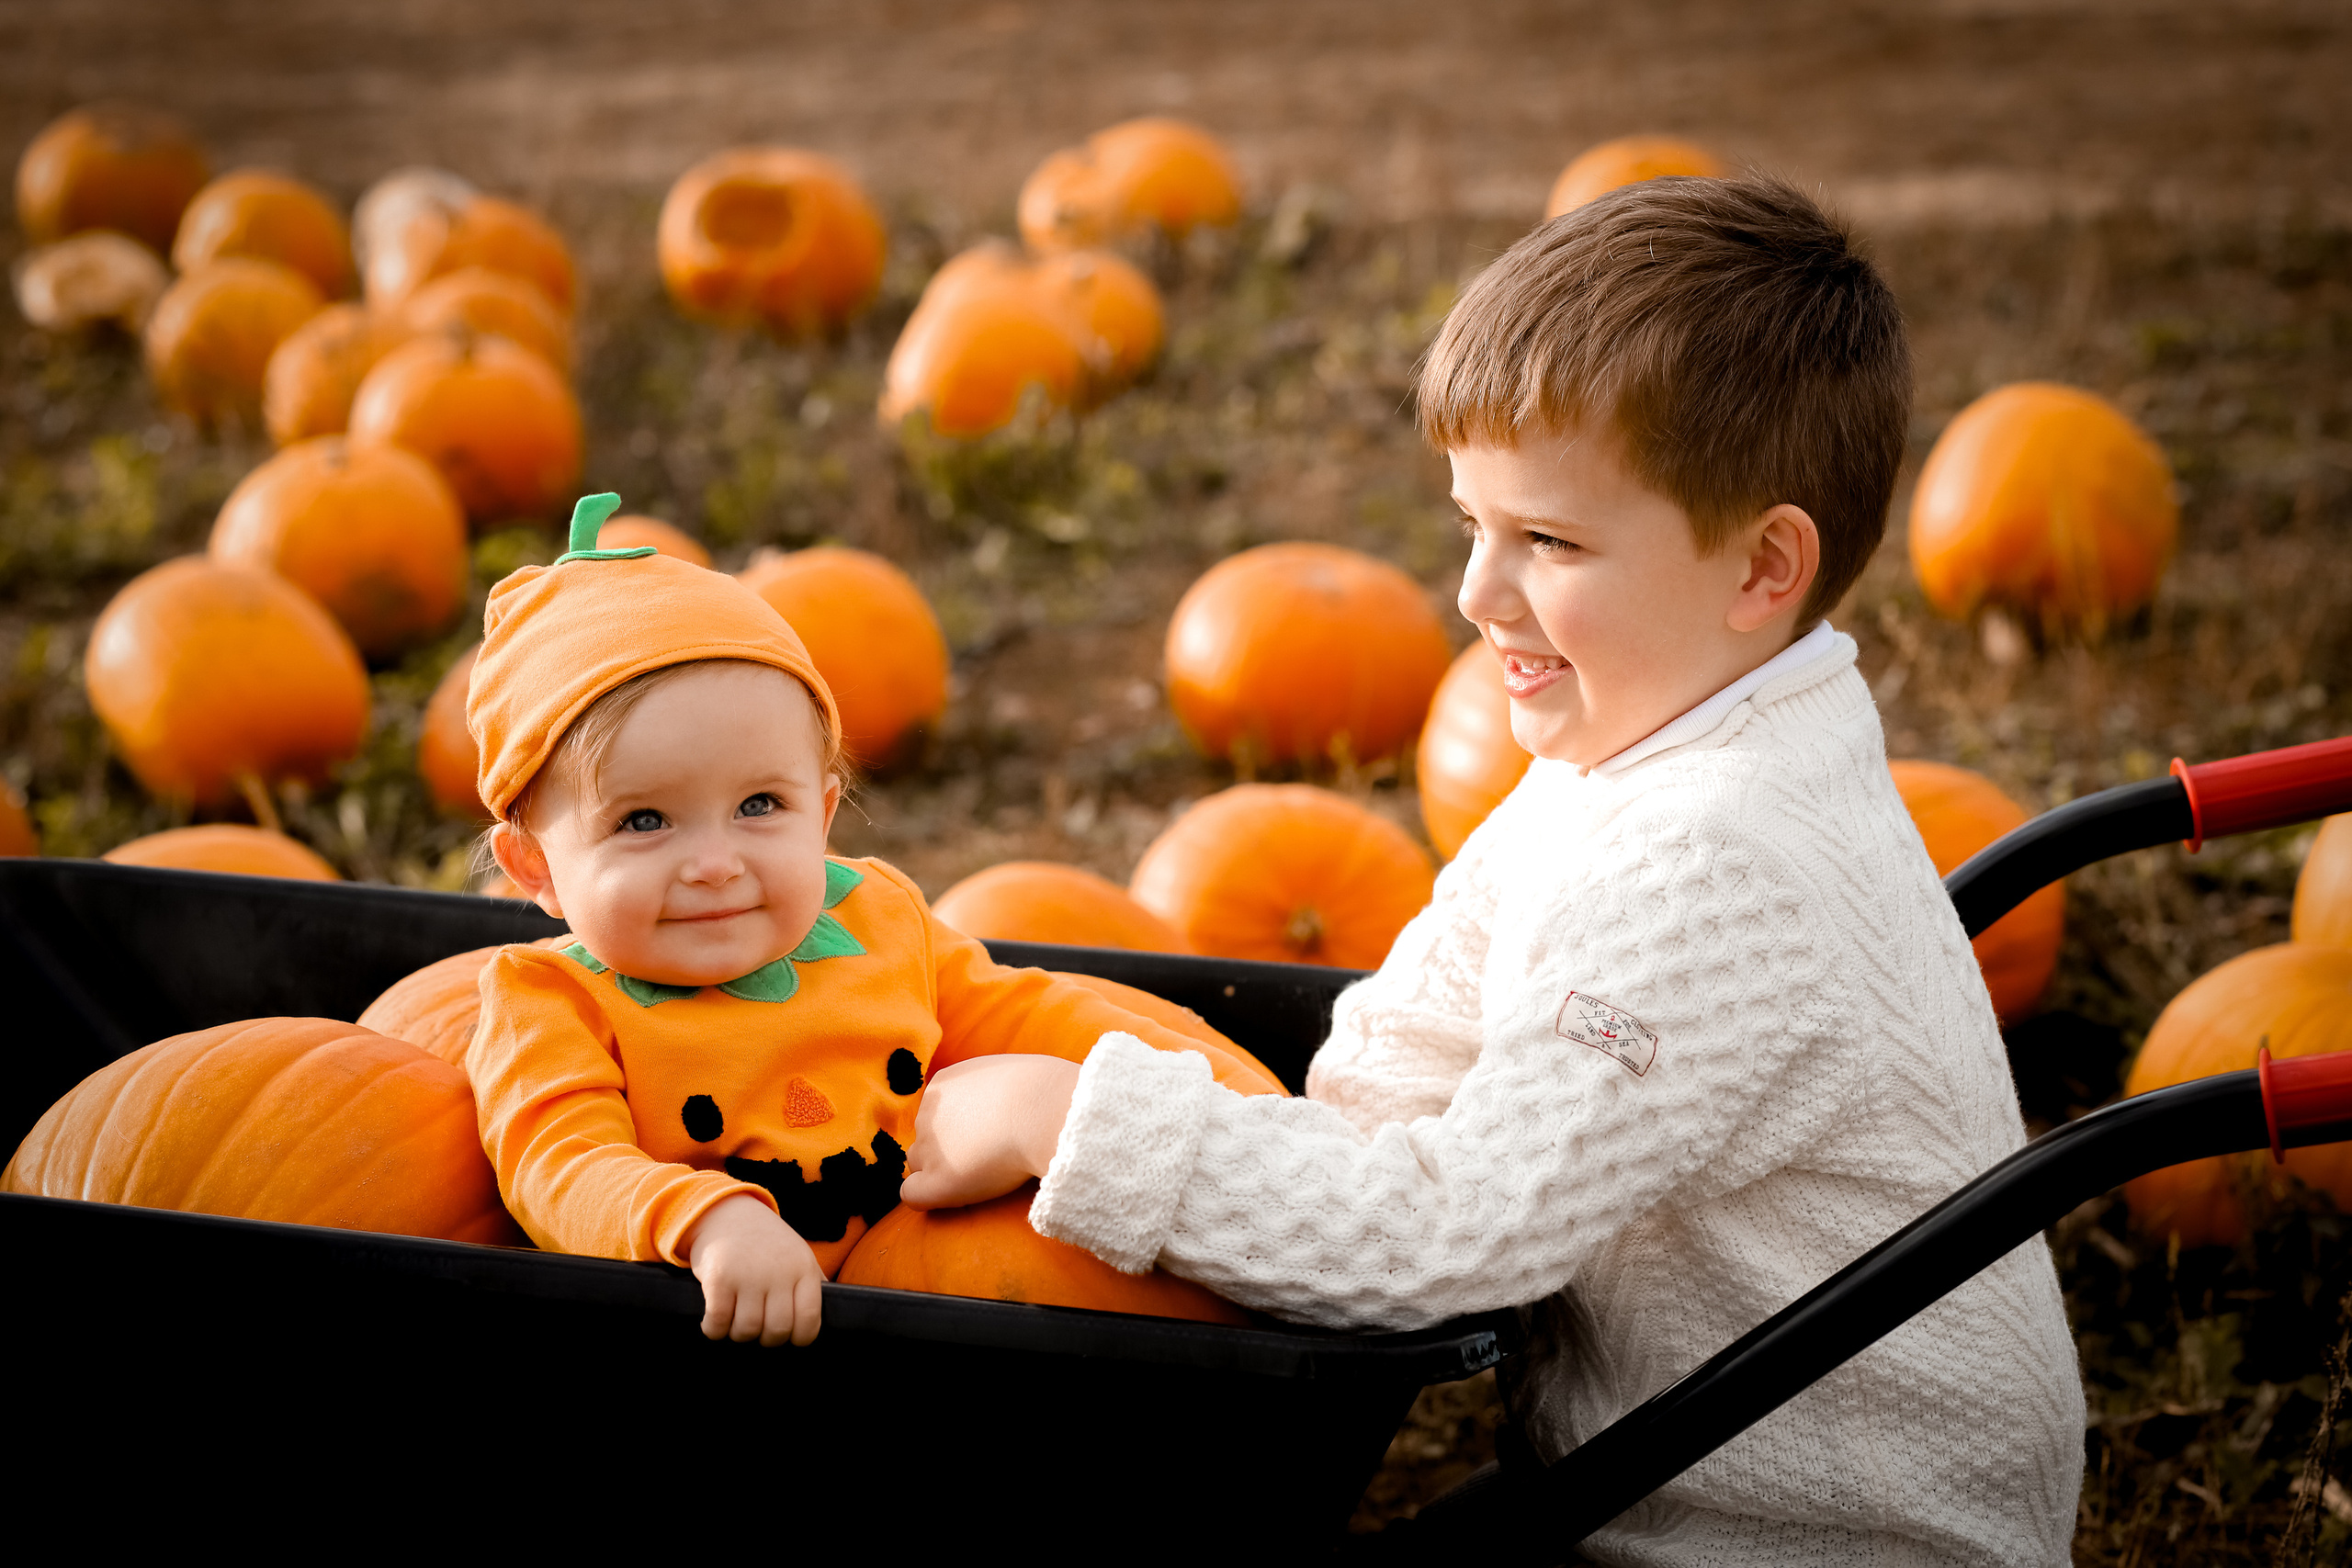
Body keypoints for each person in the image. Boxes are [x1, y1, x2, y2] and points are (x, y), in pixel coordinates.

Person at [901, 176, 2085, 1564]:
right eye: (1474, 522)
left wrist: (1076, 1125)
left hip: (1812, 1537)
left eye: (1551, 540)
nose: (1476, 590)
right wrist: (1279, 1169)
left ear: (1764, 566)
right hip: (1653, 1466)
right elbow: (1416, 1026)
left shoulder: (1711, 863)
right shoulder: (1633, 734)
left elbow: (1456, 1235)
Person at [464, 493, 1230, 1349]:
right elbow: (559, 1166)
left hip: (927, 1299)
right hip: (711, 1337)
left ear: (822, 813)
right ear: (535, 867)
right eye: (644, 821)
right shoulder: (546, 1004)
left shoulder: (877, 918)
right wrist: (705, 1219)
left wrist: (1187, 1088)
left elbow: (1021, 1012)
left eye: (760, 804)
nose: (716, 861)